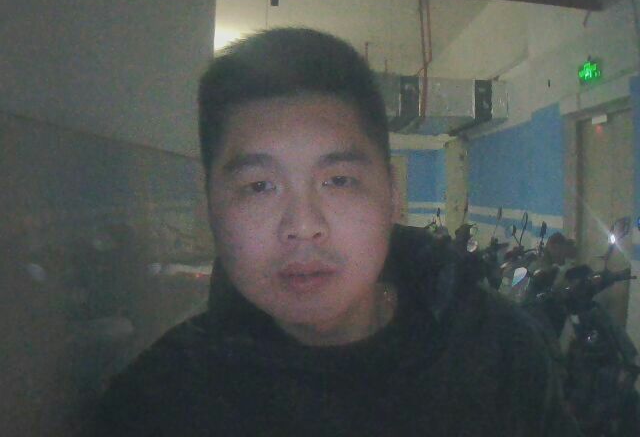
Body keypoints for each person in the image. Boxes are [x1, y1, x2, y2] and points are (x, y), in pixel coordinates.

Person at [81, 28, 580, 436]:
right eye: (259, 186)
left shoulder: (499, 353)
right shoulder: (157, 406)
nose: (303, 227)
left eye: (338, 180)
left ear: (392, 194)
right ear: (209, 204)